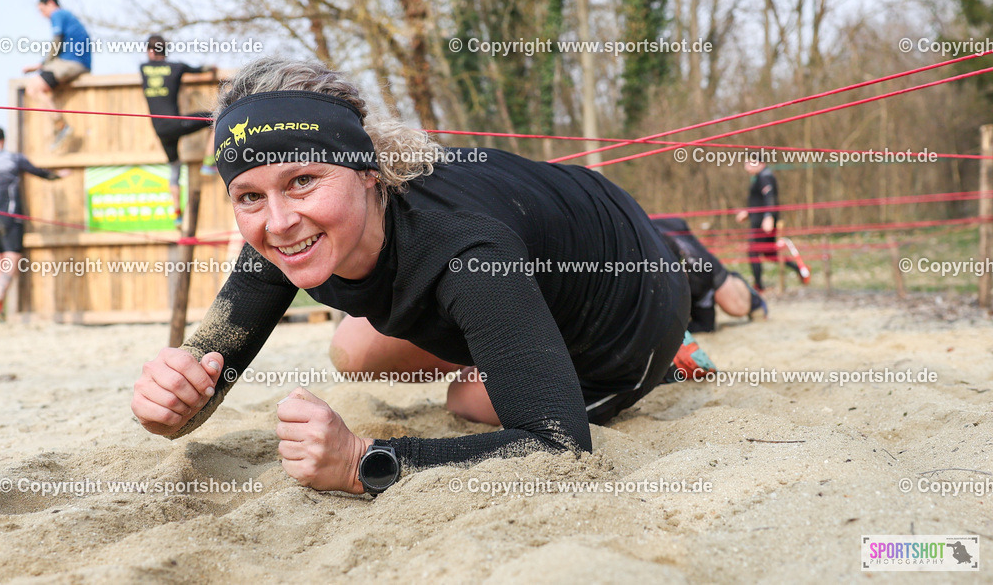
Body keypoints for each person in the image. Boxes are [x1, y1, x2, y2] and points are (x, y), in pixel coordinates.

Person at [131, 57, 716, 495]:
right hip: (552, 236)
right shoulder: (282, 235)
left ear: (367, 170)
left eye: (303, 181)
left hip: (636, 305)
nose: (279, 222)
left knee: (470, 399)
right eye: (249, 196)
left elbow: (557, 447)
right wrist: (172, 399)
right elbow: (206, 371)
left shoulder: (467, 252)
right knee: (353, 350)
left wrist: (362, 461)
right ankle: (510, 340)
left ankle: (676, 355)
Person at [0, 126, 68, 324]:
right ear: (3, 139)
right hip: (11, 217)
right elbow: (41, 173)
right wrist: (60, 174)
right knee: (10, 263)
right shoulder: (12, 159)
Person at [139, 34, 218, 227]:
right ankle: (209, 163)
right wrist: (212, 68)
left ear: (149, 51)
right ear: (165, 51)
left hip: (159, 129)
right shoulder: (177, 67)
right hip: (175, 124)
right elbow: (201, 69)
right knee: (215, 117)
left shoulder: (143, 68)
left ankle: (177, 214)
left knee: (174, 166)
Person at [650, 216, 767, 332]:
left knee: (737, 307)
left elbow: (707, 323)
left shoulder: (695, 265)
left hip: (698, 267)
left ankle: (749, 294)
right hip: (672, 267)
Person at [22, 0, 92, 151]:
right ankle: (59, 126)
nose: (43, 15)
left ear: (50, 3)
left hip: (72, 62)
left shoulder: (58, 14)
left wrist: (42, 65)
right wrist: (42, 65)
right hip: (73, 61)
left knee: (33, 88)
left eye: (42, 10)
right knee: (41, 86)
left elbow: (56, 42)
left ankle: (61, 126)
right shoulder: (68, 16)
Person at [735, 154, 810, 290]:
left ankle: (758, 286)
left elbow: (770, 198)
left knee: (753, 252)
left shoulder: (766, 176)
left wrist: (768, 216)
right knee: (770, 254)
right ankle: (800, 269)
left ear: (760, 163)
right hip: (760, 221)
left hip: (763, 224)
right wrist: (748, 213)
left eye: (749, 163)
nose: (746, 167)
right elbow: (759, 201)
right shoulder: (759, 177)